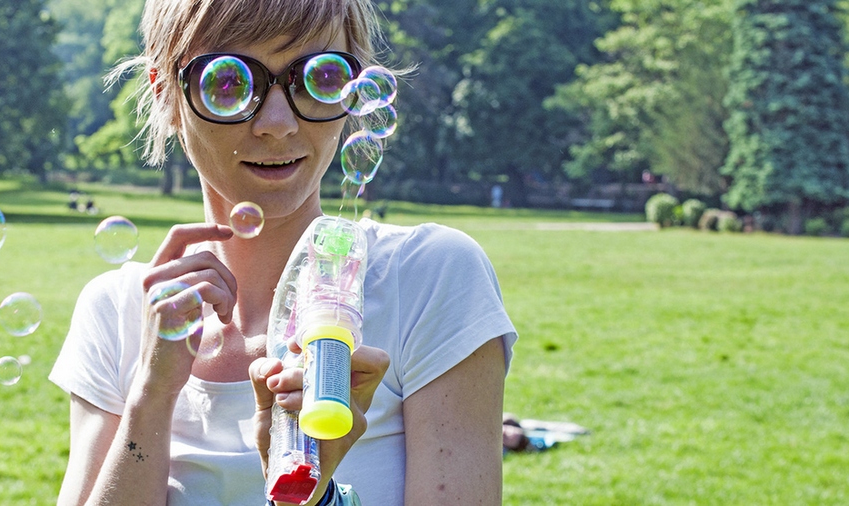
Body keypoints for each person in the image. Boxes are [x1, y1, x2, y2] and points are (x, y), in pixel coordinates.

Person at [48, 1, 517, 505]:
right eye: (228, 83)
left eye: (315, 77)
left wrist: (314, 495)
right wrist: (151, 394)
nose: (277, 123)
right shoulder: (118, 309)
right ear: (166, 95)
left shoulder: (430, 277)